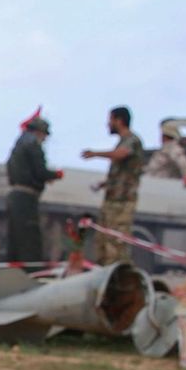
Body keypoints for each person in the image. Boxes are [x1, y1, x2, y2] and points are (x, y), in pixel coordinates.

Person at [80, 106, 145, 265]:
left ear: (119, 121)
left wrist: (95, 154)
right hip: (113, 199)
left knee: (116, 243)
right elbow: (121, 173)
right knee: (103, 242)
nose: (108, 124)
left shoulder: (132, 140)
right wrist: (104, 184)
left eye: (110, 120)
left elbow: (121, 154)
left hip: (122, 201)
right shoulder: (122, 142)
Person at [2, 114, 61, 264]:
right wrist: (55, 175)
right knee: (29, 240)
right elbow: (40, 171)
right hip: (26, 198)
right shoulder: (33, 144)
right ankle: (31, 273)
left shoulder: (18, 145)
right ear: (39, 132)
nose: (45, 139)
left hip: (14, 196)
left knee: (15, 239)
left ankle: (12, 273)